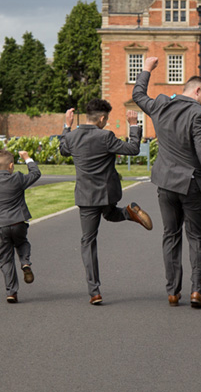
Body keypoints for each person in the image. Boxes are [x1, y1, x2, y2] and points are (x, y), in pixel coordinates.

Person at [132, 57, 201, 309]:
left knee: (170, 235)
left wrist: (146, 69)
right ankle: (196, 290)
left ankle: (172, 292)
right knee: (196, 237)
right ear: (197, 90)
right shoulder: (199, 114)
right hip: (191, 186)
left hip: (165, 184)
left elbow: (138, 94)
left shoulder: (161, 106)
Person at [59, 99, 153, 305]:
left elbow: (63, 150)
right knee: (110, 214)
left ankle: (95, 292)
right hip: (108, 193)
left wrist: (67, 125)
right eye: (106, 119)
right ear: (102, 118)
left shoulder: (73, 136)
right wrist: (134, 125)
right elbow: (133, 149)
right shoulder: (106, 136)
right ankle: (129, 212)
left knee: (88, 241)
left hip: (86, 196)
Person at [0, 150, 41, 303]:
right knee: (22, 243)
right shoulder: (18, 178)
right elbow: (35, 173)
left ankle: (11, 292)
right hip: (18, 222)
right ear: (11, 166)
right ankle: (25, 262)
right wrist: (27, 158)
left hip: (0, 225)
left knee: (6, 259)